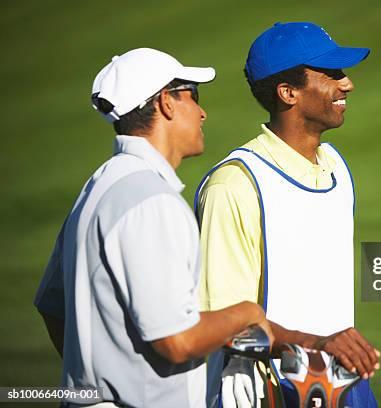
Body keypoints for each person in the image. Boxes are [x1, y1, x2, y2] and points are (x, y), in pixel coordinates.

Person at [34, 48, 272, 408]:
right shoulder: (152, 201)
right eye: (194, 95)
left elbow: (53, 307)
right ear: (166, 103)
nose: (203, 112)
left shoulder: (98, 186)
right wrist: (247, 313)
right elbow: (176, 341)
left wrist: (95, 378)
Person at [195, 23, 379, 407]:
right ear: (288, 92)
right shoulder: (234, 186)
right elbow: (217, 324)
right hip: (267, 393)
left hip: (344, 386)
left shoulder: (335, 167)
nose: (347, 85)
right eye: (331, 74)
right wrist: (312, 344)